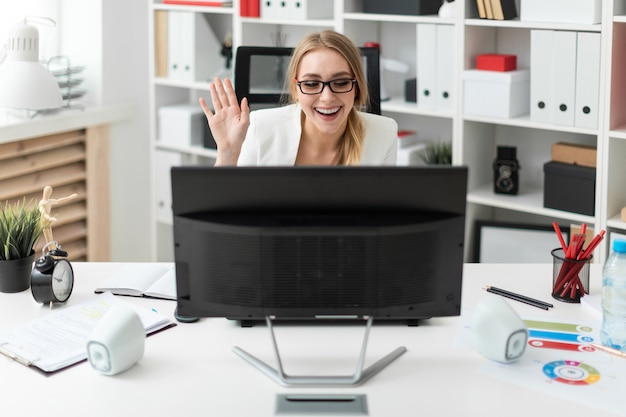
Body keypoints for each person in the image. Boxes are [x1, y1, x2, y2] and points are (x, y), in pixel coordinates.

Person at [199, 30, 398, 166]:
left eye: (341, 83)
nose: (327, 98)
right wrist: (228, 154)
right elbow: (229, 214)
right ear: (296, 90)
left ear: (356, 88)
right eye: (311, 84)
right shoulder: (261, 127)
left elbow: (382, 215)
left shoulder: (384, 133)